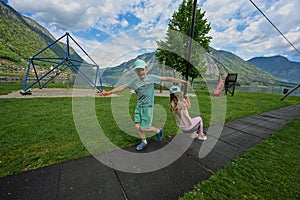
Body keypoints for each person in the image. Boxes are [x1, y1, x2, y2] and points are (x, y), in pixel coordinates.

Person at [100, 59, 187, 151]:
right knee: (137, 126)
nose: (141, 72)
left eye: (142, 69)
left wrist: (180, 81)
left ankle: (158, 131)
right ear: (135, 71)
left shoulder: (151, 78)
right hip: (139, 106)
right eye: (138, 70)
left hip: (148, 107)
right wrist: (109, 92)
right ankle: (144, 142)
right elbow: (122, 87)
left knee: (145, 127)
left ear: (146, 69)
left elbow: (165, 79)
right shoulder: (134, 82)